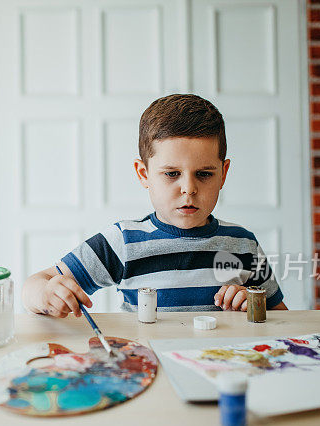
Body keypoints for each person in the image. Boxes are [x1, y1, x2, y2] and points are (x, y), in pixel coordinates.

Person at [22, 93, 288, 318]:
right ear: (143, 174)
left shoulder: (243, 244)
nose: (189, 188)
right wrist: (46, 294)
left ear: (223, 173)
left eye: (204, 174)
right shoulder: (123, 242)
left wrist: (253, 304)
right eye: (171, 174)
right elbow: (34, 285)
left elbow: (282, 319)